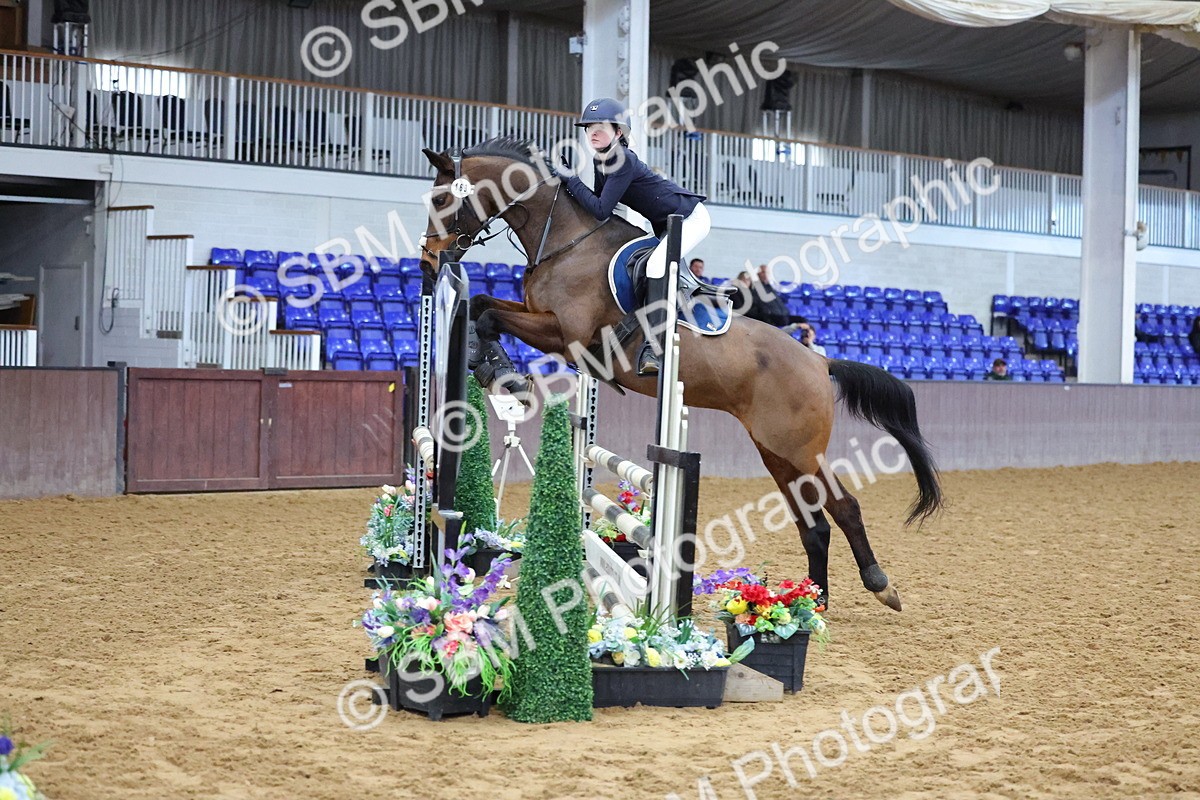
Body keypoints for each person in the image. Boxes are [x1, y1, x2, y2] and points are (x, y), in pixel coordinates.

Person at [556, 97, 708, 375]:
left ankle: (655, 347)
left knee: (655, 266)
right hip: (665, 224)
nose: (592, 133)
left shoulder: (622, 159)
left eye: (600, 127)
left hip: (690, 219)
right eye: (589, 128)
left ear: (618, 132)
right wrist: (565, 185)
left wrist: (571, 180)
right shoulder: (601, 160)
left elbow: (601, 209)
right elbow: (596, 205)